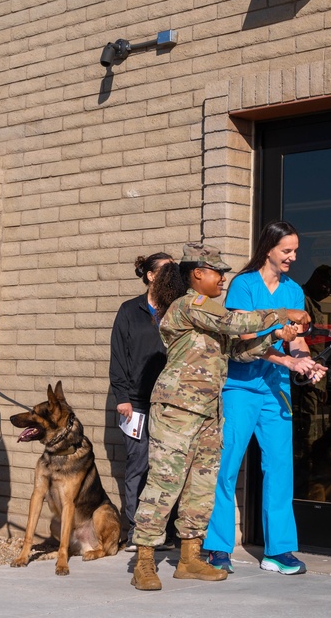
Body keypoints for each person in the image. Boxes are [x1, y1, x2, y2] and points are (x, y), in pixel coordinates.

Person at [130, 242, 311, 591]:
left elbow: (241, 351)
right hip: (176, 413)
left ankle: (189, 559)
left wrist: (278, 337)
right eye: (219, 273)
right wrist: (283, 313)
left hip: (209, 413)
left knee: (201, 489)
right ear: (198, 274)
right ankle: (144, 562)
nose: (224, 280)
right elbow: (234, 321)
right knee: (164, 487)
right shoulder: (189, 304)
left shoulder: (208, 314)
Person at [204, 221, 326, 576]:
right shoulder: (243, 285)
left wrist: (306, 363)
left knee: (279, 468)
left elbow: (296, 342)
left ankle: (280, 550)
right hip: (240, 387)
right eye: (287, 250)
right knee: (226, 467)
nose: (293, 256)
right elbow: (242, 337)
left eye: (295, 250)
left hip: (277, 390)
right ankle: (217, 546)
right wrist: (284, 351)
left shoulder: (294, 291)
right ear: (268, 248)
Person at [109, 252, 176, 551]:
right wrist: (122, 397)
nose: (171, 274)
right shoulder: (129, 310)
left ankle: (163, 531)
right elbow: (118, 357)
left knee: (166, 467)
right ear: (150, 275)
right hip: (135, 403)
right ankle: (138, 530)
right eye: (166, 269)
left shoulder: (177, 310)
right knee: (138, 464)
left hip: (169, 403)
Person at [291, 264, 331, 496]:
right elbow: (298, 342)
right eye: (323, 282)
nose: (325, 289)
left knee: (311, 436)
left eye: (330, 288)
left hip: (313, 381)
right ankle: (301, 490)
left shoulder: (316, 307)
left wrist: (321, 384)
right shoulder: (299, 299)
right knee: (302, 438)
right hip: (301, 381)